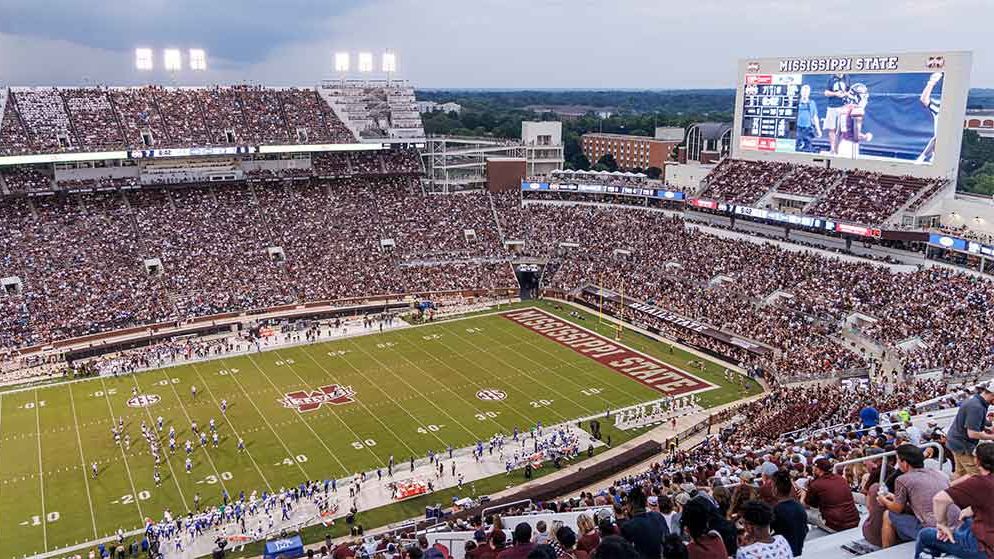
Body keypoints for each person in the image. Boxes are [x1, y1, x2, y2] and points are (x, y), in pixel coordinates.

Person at [916, 443, 994, 559]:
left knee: (925, 535)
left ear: (977, 461)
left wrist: (942, 524)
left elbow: (939, 499)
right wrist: (972, 509)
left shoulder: (980, 483)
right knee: (965, 519)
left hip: (986, 549)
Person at [877, 444, 952, 547]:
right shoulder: (938, 473)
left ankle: (886, 551)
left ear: (905, 463)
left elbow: (897, 509)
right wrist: (895, 498)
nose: (897, 464)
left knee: (887, 515)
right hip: (954, 525)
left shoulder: (902, 479)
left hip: (936, 531)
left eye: (898, 460)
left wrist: (883, 499)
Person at [946, 382, 994, 479]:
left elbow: (974, 420)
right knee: (978, 477)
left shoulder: (976, 399)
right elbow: (972, 433)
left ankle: (951, 489)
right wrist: (992, 437)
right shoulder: (976, 407)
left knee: (960, 473)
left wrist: (987, 427)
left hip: (954, 441)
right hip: (962, 445)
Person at [801, 459, 860, 532]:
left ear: (818, 470)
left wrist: (804, 491)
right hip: (854, 519)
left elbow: (807, 504)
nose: (813, 470)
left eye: (814, 468)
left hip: (836, 525)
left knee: (804, 512)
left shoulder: (816, 484)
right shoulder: (840, 478)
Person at [621, 486, 667, 559]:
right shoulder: (657, 516)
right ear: (645, 503)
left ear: (631, 504)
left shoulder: (627, 526)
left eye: (627, 504)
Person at [770, 471, 807, 557]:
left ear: (775, 489)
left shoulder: (776, 510)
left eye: (772, 486)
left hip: (787, 550)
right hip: (799, 547)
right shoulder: (799, 506)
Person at [823, 73, 851, 154]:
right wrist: (835, 94)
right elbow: (826, 92)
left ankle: (837, 148)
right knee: (831, 128)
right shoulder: (831, 78)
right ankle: (832, 148)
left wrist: (844, 94)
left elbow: (850, 92)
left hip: (843, 106)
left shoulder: (847, 78)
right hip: (832, 106)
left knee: (843, 129)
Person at [794, 84, 821, 153]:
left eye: (807, 92)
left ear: (809, 93)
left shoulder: (812, 103)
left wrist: (818, 130)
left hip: (807, 128)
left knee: (807, 148)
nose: (805, 93)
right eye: (803, 92)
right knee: (795, 147)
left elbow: (815, 117)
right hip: (797, 128)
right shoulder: (796, 102)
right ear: (801, 92)